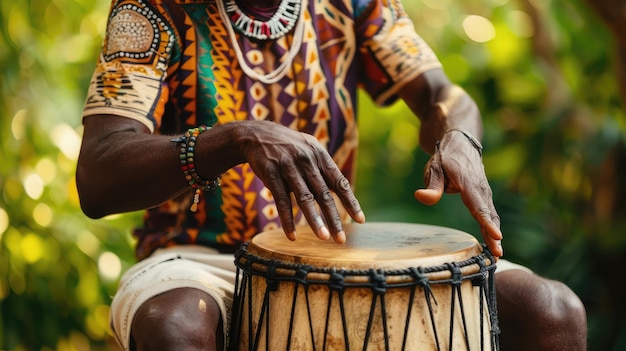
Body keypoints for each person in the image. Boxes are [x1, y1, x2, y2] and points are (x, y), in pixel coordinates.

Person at [76, 0, 587, 350]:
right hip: (196, 258)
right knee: (176, 326)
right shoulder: (149, 11)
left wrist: (458, 137)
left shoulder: (353, 5)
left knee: (553, 309)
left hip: (334, 250)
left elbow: (442, 96)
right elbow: (99, 174)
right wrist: (234, 139)